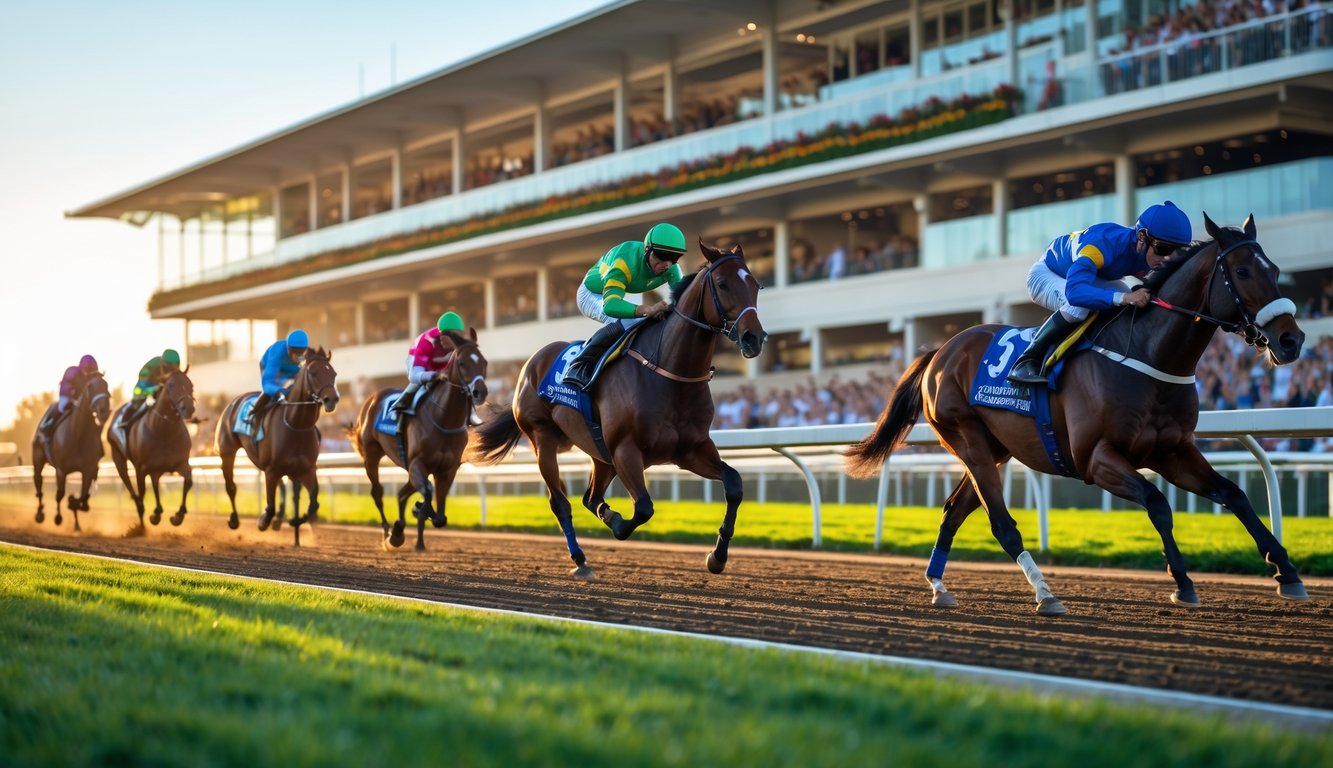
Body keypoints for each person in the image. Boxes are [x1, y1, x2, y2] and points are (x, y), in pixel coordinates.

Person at [1007, 200, 1192, 385]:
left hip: (1095, 276)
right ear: (1142, 238)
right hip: (1047, 274)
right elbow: (1075, 292)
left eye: (1178, 251)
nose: (1168, 258)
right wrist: (1124, 297)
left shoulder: (1146, 250)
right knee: (1079, 307)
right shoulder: (1103, 245)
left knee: (1127, 307)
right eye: (1164, 249)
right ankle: (1026, 360)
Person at [562, 222, 688, 390]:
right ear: (647, 250)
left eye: (674, 258)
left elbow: (684, 302)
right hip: (593, 294)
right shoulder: (623, 263)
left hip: (625, 290)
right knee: (629, 321)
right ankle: (578, 365)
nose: (667, 264)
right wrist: (647, 310)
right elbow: (610, 306)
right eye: (662, 256)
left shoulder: (671, 269)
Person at [389, 311, 465, 422]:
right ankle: (397, 406)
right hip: (419, 361)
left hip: (441, 360)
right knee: (420, 382)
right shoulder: (426, 343)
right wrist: (436, 375)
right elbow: (413, 376)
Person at [246, 330, 309, 428]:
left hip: (290, 370)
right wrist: (281, 390)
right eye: (296, 354)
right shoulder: (277, 352)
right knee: (271, 392)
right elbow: (267, 384)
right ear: (288, 350)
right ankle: (252, 414)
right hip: (272, 368)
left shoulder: (302, 356)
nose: (299, 358)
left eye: (301, 354)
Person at [37, 354, 100, 443]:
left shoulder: (90, 377)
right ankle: (47, 428)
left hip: (80, 401)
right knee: (61, 407)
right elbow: (66, 385)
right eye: (90, 370)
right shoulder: (72, 371)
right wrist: (72, 392)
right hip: (67, 397)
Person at [123, 349, 182, 426]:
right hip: (144, 390)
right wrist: (156, 389)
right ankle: (125, 424)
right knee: (138, 398)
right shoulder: (149, 369)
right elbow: (139, 391)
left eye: (173, 370)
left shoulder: (175, 370)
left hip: (160, 391)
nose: (170, 373)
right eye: (168, 369)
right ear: (162, 365)